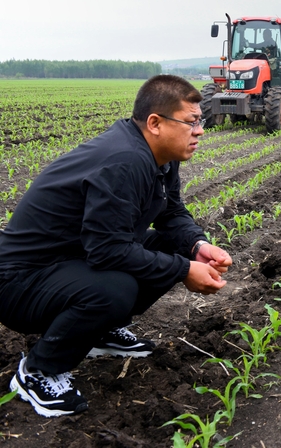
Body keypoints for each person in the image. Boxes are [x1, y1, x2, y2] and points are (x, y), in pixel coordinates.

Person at [0, 75, 232, 418]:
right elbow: (107, 250)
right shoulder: (125, 160)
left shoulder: (160, 157)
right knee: (115, 289)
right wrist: (184, 270)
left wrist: (195, 246)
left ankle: (98, 331)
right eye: (191, 122)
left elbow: (170, 213)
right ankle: (38, 371)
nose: (200, 131)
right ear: (155, 123)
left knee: (171, 248)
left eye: (202, 121)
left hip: (67, 261)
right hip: (18, 282)